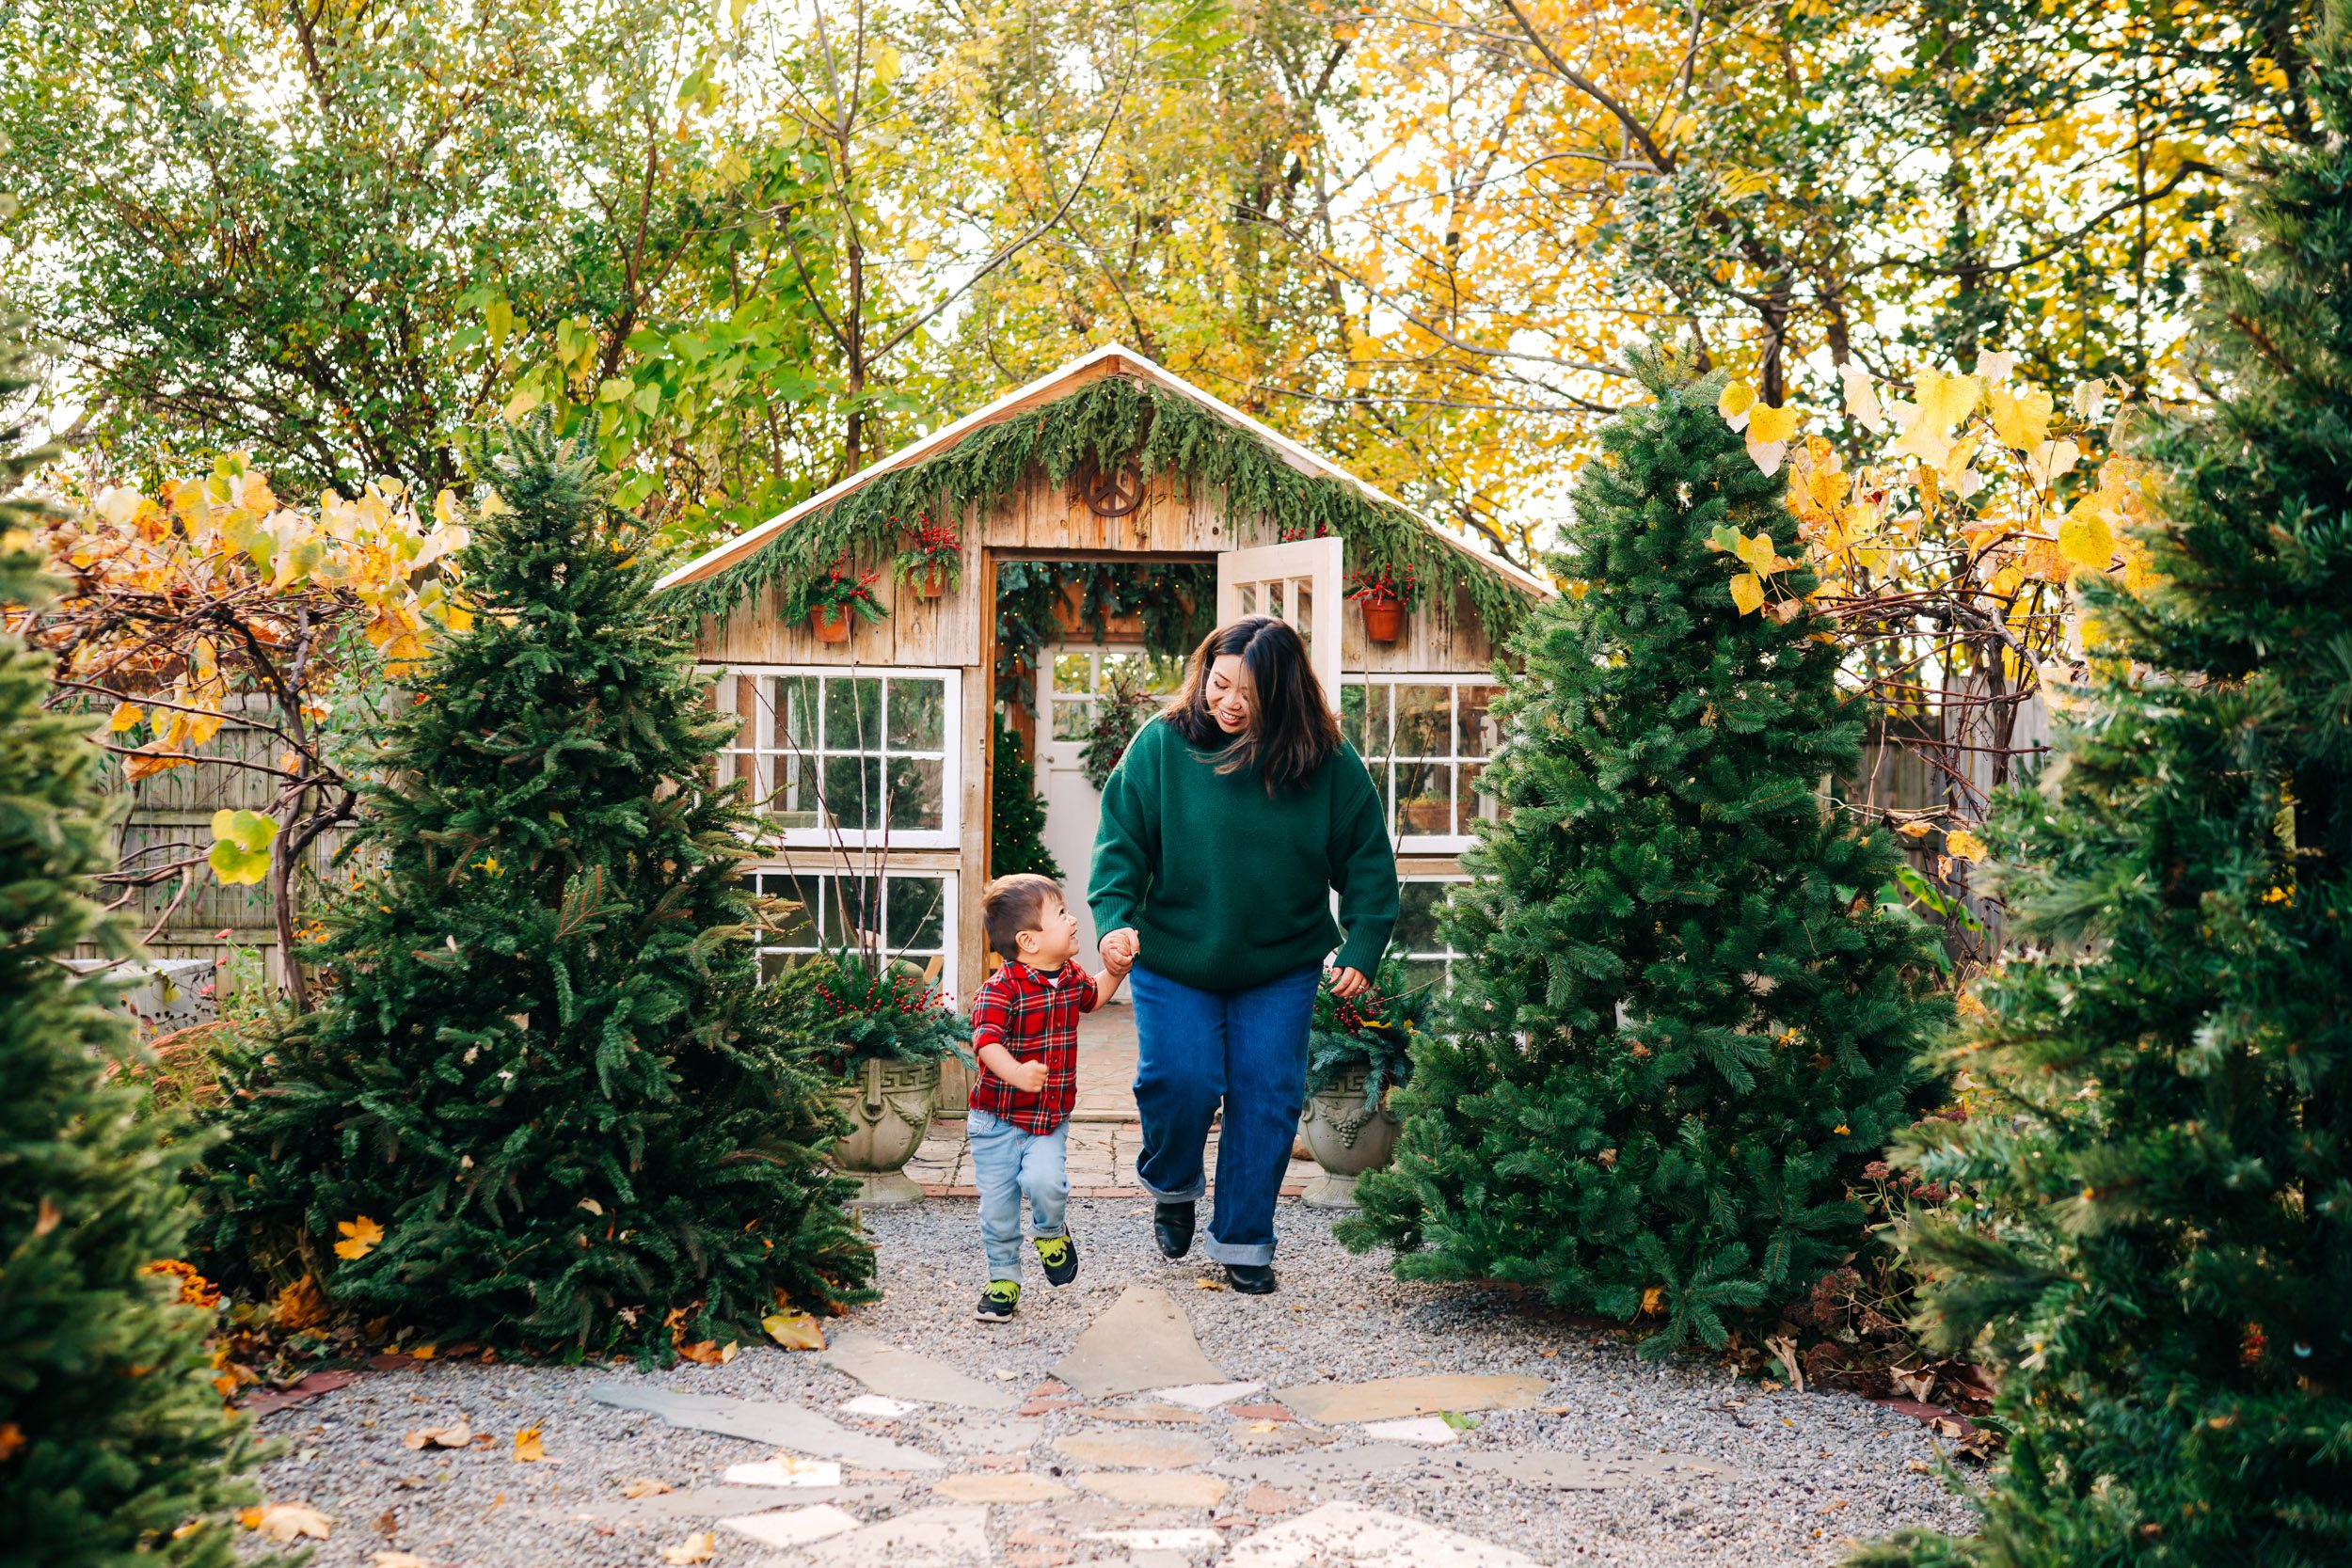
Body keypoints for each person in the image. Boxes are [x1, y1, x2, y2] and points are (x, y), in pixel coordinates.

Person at [1091, 615, 1397, 1294]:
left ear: (1284, 696)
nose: (1227, 702)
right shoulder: (1161, 747)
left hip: (1281, 963)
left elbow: (1370, 865)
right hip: (1176, 957)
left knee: (1267, 1094)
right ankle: (1173, 1184)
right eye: (1218, 683)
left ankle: (1244, 1238)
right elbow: (1120, 846)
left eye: (1249, 695)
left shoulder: (1326, 761)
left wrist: (1365, 942)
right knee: (1182, 1080)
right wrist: (1113, 919)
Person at [964, 871, 1132, 1322]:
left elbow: (1093, 998)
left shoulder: (1068, 975)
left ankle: (1051, 1232)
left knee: (1048, 1184)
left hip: (1046, 1118)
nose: (1074, 919)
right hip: (995, 1120)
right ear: (1029, 941)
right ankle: (1003, 1277)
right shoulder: (1000, 989)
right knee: (998, 1208)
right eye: (1060, 914)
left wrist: (1114, 972)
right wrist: (1016, 1072)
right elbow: (985, 1042)